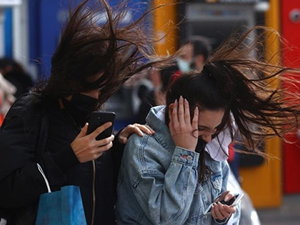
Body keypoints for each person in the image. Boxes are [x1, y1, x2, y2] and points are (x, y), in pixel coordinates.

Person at [0, 0, 173, 224]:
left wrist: (120, 147)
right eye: (89, 88)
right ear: (68, 80)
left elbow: (95, 182)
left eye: (101, 89)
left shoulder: (89, 118)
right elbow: (6, 190)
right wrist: (68, 157)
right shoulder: (31, 112)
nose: (95, 97)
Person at [116, 26, 300, 225]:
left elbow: (221, 214)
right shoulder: (144, 148)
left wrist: (221, 216)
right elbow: (168, 219)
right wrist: (184, 153)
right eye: (201, 129)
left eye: (215, 130)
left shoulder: (211, 147)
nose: (208, 138)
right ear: (176, 113)